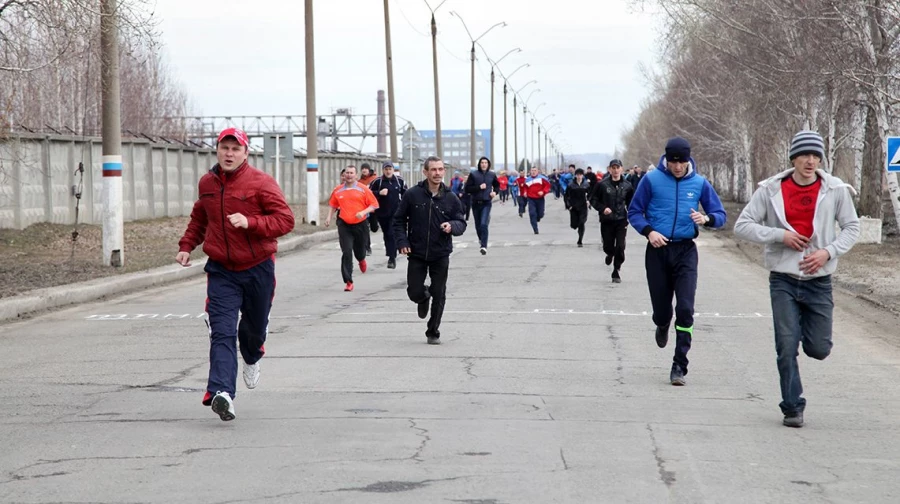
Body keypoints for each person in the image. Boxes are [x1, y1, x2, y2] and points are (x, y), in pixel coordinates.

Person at [734, 130, 860, 428]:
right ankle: (792, 407)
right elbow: (742, 226)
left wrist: (828, 252)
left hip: (819, 281)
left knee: (819, 349)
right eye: (805, 155)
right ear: (793, 157)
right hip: (784, 280)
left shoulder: (836, 189)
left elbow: (852, 227)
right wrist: (780, 235)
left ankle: (804, 327)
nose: (811, 161)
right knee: (786, 345)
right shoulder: (770, 190)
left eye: (816, 156)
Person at [176, 127, 295, 421]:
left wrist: (251, 222)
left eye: (235, 149)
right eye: (224, 148)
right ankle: (222, 393)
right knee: (222, 332)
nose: (229, 153)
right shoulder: (208, 182)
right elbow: (200, 216)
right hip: (221, 270)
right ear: (217, 150)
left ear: (245, 152)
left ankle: (252, 356)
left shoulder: (261, 183)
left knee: (251, 333)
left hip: (257, 267)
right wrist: (187, 245)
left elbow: (285, 220)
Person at [627, 136, 727, 386]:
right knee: (663, 311)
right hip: (658, 251)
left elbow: (720, 214)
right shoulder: (651, 180)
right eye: (673, 162)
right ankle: (662, 324)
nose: (678, 166)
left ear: (688, 160)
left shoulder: (700, 183)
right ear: (666, 160)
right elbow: (634, 211)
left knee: (685, 308)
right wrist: (649, 231)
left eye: (682, 162)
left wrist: (707, 220)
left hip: (685, 251)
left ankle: (679, 364)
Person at [393, 156, 467, 345]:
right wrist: (402, 242)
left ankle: (433, 331)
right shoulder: (412, 195)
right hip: (416, 252)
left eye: (440, 169)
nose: (437, 173)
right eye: (433, 170)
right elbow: (399, 220)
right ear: (425, 172)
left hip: (440, 253)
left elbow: (461, 222)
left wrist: (452, 226)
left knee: (439, 292)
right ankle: (422, 298)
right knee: (414, 292)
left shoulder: (450, 197)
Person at [325, 165, 379, 292]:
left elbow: (374, 205)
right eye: (347, 173)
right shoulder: (338, 190)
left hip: (360, 223)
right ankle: (348, 281)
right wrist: (328, 217)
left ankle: (361, 259)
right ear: (344, 176)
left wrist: (364, 212)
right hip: (344, 224)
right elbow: (333, 205)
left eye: (351, 173)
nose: (349, 175)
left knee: (360, 251)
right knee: (347, 251)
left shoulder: (363, 189)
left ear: (356, 175)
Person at [590, 159, 634, 283]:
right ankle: (609, 254)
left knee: (620, 246)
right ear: (609, 169)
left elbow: (631, 202)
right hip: (607, 220)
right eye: (613, 168)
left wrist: (634, 214)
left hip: (621, 220)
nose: (615, 170)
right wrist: (603, 208)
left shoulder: (627, 185)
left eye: (617, 167)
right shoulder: (602, 185)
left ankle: (616, 269)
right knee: (608, 246)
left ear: (621, 169)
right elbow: (593, 199)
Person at [369, 161, 407, 269]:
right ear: (383, 170)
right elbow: (368, 194)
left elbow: (406, 195)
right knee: (387, 234)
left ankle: (392, 258)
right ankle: (391, 253)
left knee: (391, 233)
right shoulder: (378, 182)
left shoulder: (399, 181)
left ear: (393, 170)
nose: (388, 171)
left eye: (390, 169)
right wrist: (379, 193)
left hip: (396, 213)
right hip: (382, 213)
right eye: (386, 169)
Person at [464, 156, 499, 255]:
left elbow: (497, 186)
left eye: (485, 163)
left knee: (484, 224)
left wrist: (495, 192)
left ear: (488, 164)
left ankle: (484, 246)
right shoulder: (474, 175)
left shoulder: (492, 175)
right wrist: (479, 187)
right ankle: (481, 238)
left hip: (487, 203)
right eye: (482, 163)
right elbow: (467, 189)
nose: (484, 164)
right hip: (476, 203)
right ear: (479, 164)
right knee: (478, 225)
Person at [564, 167, 591, 247]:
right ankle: (576, 226)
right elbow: (566, 196)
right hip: (574, 207)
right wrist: (568, 206)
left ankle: (580, 240)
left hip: (583, 207)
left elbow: (590, 194)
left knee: (582, 223)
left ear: (582, 175)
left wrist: (589, 201)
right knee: (574, 225)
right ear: (575, 175)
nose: (579, 176)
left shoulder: (586, 185)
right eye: (577, 175)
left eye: (580, 175)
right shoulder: (571, 185)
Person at [523, 166, 551, 234]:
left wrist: (543, 191)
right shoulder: (527, 180)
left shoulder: (542, 178)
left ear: (537, 171)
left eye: (535, 170)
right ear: (530, 171)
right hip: (531, 198)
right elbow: (525, 187)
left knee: (540, 214)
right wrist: (525, 192)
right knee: (532, 213)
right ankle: (535, 229)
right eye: (532, 170)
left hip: (540, 198)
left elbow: (547, 186)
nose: (533, 172)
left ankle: (538, 217)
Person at [358, 163, 379, 256]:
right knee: (365, 228)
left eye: (366, 168)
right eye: (362, 168)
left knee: (374, 228)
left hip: (373, 207)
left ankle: (376, 225)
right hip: (364, 208)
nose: (364, 170)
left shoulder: (375, 179)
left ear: (369, 170)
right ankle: (367, 248)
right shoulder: (359, 181)